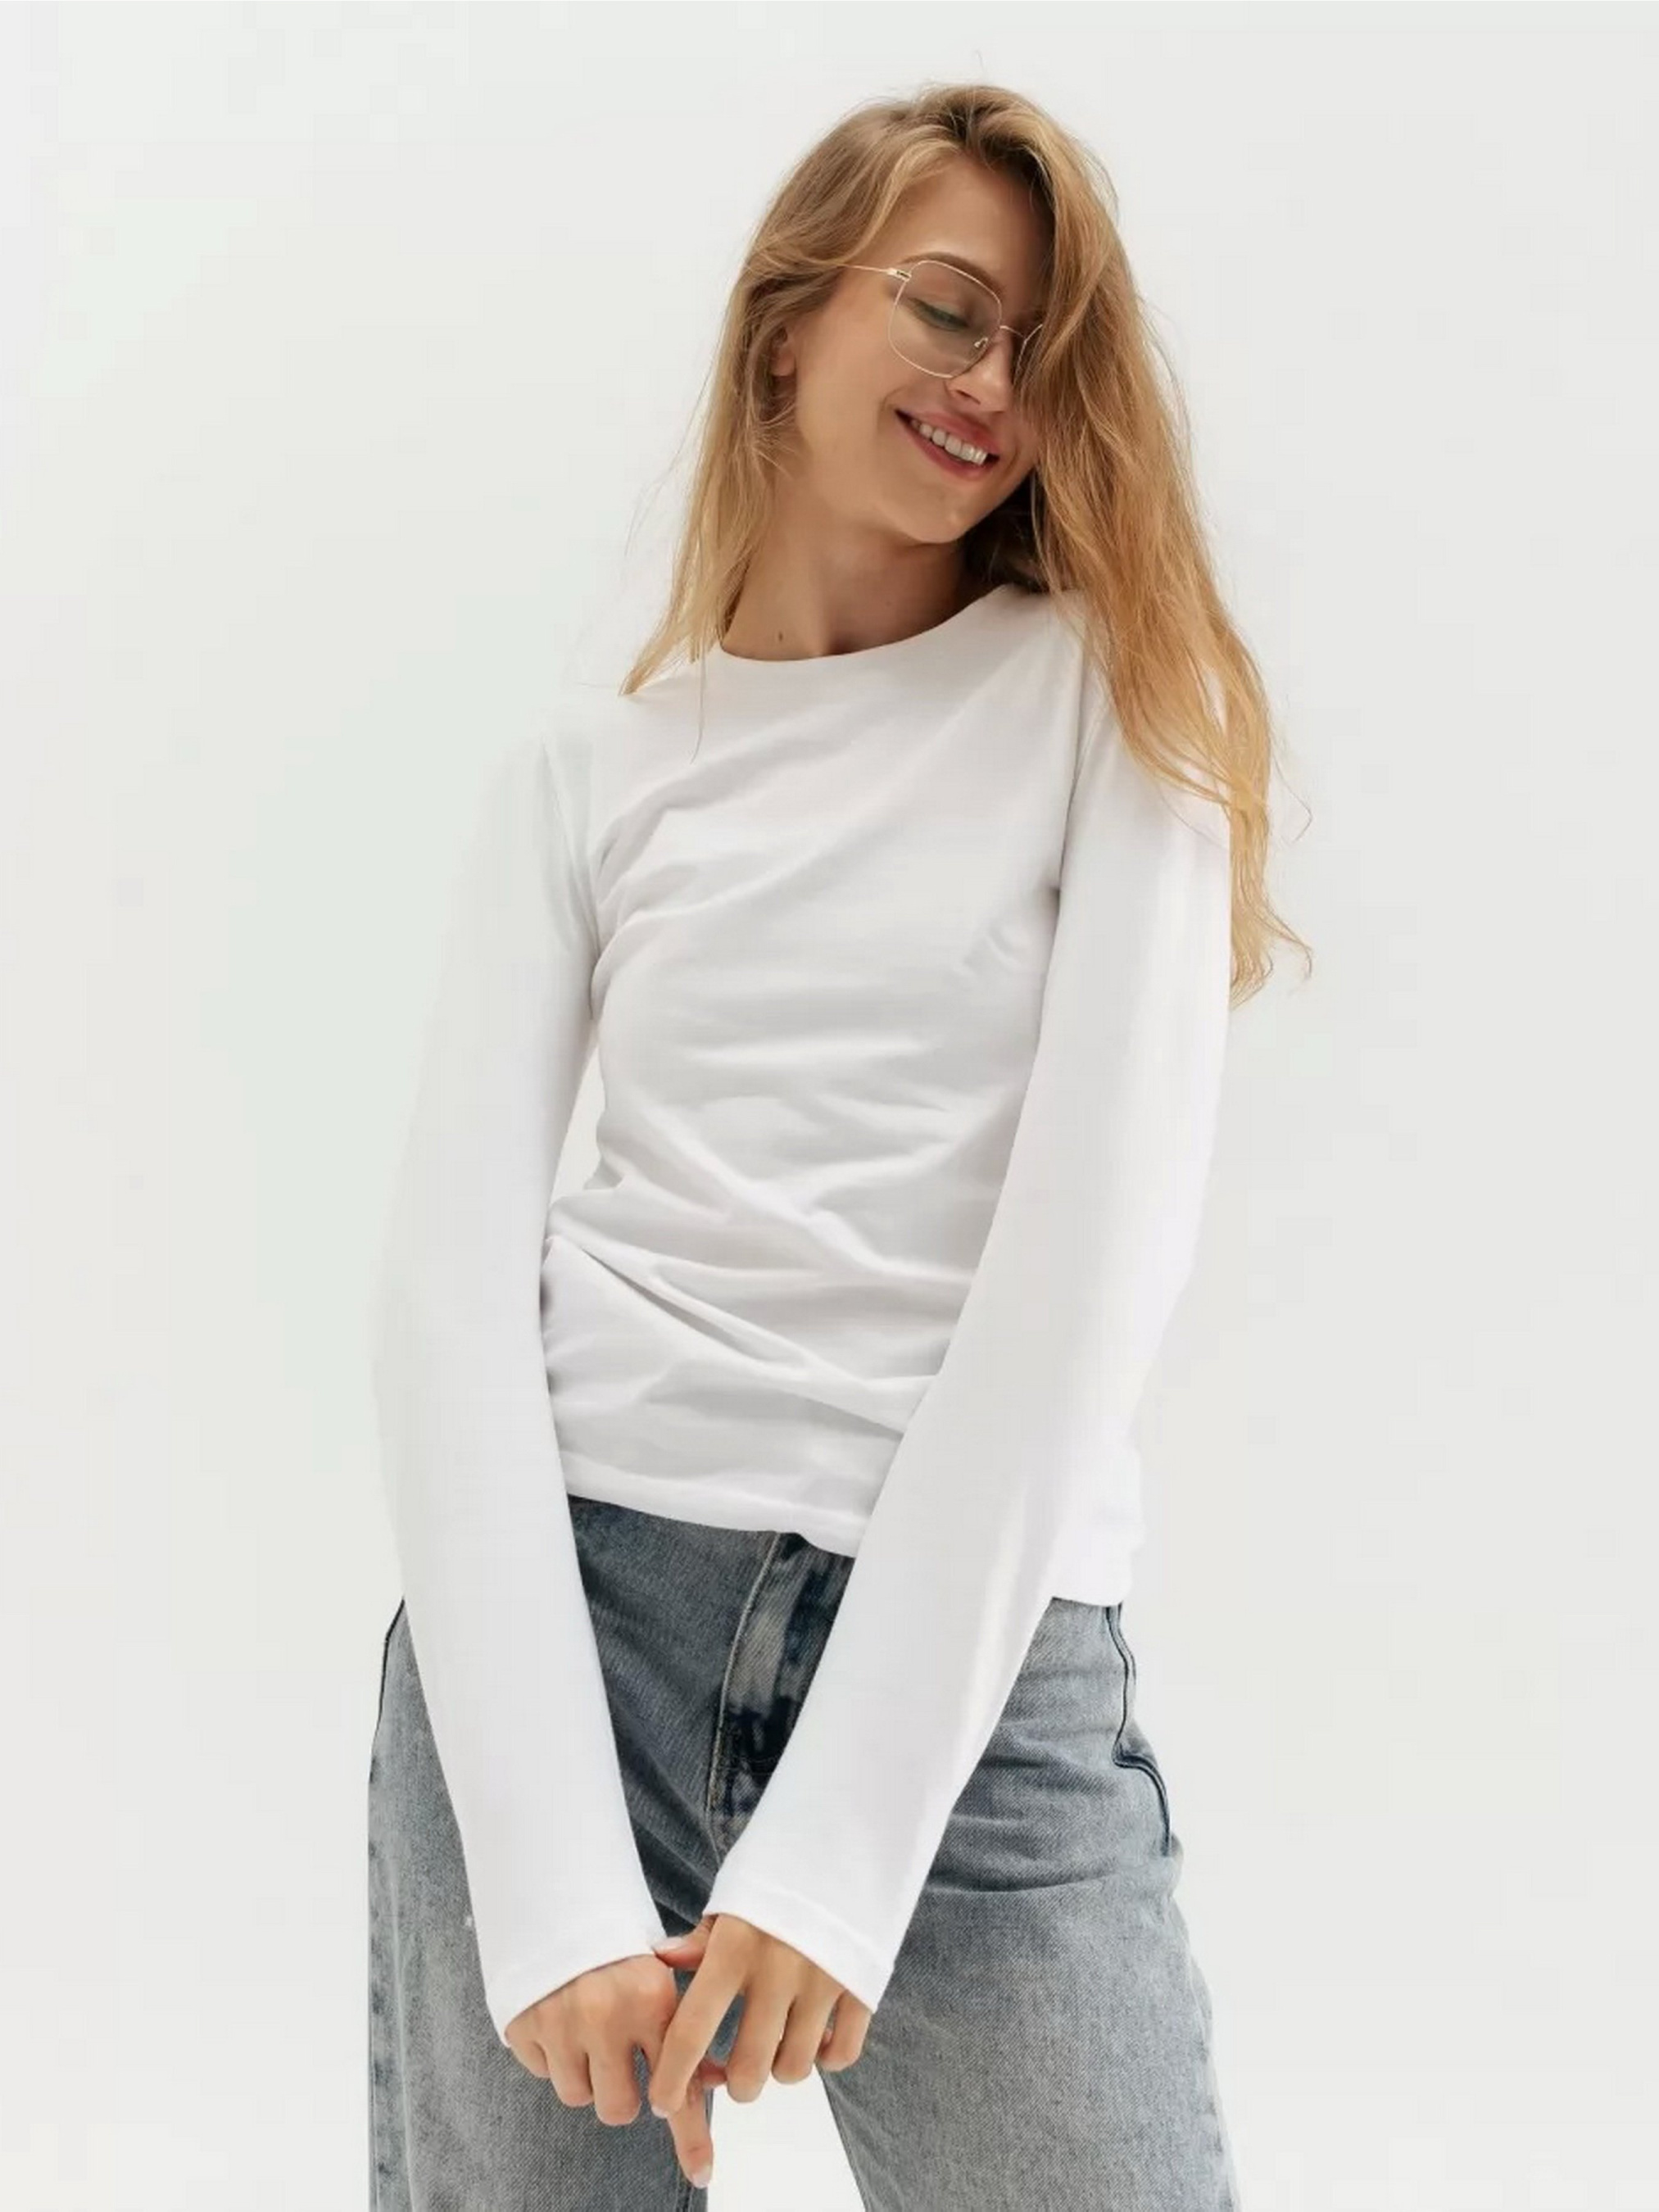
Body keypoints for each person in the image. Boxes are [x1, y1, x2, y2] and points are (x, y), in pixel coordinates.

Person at [367, 81, 1303, 2210]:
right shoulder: (589, 774)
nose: (992, 385)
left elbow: (1081, 1284)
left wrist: (839, 1849)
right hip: (568, 1634)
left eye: (1043, 356)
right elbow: (442, 1305)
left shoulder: (1121, 709)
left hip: (971, 1675)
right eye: (949, 309)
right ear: (789, 324)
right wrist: (550, 1886)